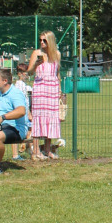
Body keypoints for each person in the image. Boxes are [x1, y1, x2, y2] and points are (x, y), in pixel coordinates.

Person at [27, 30, 62, 159]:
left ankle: (47, 150)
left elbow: (57, 74)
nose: (42, 43)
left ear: (50, 41)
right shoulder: (37, 53)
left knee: (51, 119)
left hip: (52, 90)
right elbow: (29, 72)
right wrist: (36, 64)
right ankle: (36, 150)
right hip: (40, 89)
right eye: (40, 40)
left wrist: (59, 89)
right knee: (38, 118)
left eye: (44, 40)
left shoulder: (56, 55)